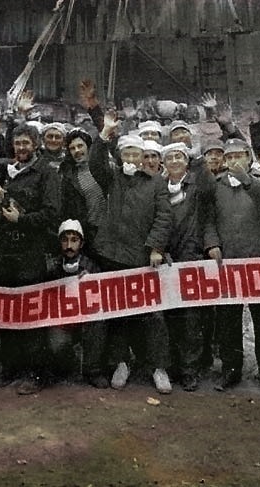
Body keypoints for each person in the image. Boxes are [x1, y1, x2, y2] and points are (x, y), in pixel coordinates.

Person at [89, 122, 173, 394]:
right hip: (112, 255)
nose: (132, 159)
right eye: (127, 154)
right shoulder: (112, 178)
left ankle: (159, 367)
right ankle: (121, 363)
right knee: (118, 315)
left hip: (142, 257)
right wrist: (103, 136)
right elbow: (94, 165)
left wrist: (155, 247)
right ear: (120, 156)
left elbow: (163, 217)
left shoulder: (156, 183)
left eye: (137, 155)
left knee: (152, 315)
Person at [205, 138, 260, 393]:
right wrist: (212, 243)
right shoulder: (217, 186)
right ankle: (231, 370)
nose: (235, 161)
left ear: (250, 158)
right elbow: (208, 220)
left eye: (240, 156)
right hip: (228, 262)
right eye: (230, 158)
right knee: (228, 321)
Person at [0, 123, 59, 394]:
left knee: (31, 314)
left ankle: (37, 373)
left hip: (31, 252)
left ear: (36, 144)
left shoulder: (47, 175)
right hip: (5, 252)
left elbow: (52, 214)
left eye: (26, 143)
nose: (21, 148)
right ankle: (10, 366)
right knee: (7, 311)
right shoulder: (5, 169)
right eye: (17, 143)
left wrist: (22, 219)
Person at [161, 142, 214, 391]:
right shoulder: (159, 188)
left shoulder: (196, 184)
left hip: (191, 256)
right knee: (170, 317)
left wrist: (199, 160)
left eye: (179, 157)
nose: (174, 161)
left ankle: (189, 369)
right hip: (167, 257)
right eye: (169, 157)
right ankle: (173, 366)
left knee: (191, 319)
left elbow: (209, 185)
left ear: (186, 161)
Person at [44, 219, 109, 388]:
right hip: (62, 321)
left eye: (74, 240)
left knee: (98, 323)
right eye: (65, 240)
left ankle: (92, 370)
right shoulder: (52, 266)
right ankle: (68, 364)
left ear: (81, 243)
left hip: (86, 319)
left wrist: (92, 281)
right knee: (56, 343)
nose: (69, 245)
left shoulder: (91, 266)